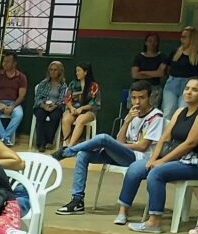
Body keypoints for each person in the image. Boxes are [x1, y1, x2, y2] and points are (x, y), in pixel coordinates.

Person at [118, 77, 198, 233]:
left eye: (195, 89)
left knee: (157, 173)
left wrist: (161, 161)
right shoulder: (180, 111)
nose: (189, 92)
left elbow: (190, 143)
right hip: (178, 158)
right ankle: (122, 211)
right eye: (187, 88)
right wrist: (152, 159)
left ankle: (154, 222)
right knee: (136, 168)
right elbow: (164, 137)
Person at [54, 80, 165, 216]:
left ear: (149, 97)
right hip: (123, 155)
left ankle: (68, 151)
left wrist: (112, 145)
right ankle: (77, 200)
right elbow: (120, 141)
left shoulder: (156, 117)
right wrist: (127, 121)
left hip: (139, 160)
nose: (137, 102)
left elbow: (143, 146)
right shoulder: (133, 115)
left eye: (142, 98)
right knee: (83, 154)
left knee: (104, 139)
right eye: (134, 98)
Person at [163, 26, 198, 120]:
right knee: (168, 111)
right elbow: (167, 68)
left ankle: (179, 133)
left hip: (189, 85)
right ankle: (166, 133)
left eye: (185, 37)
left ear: (192, 39)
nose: (181, 39)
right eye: (181, 37)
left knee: (183, 110)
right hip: (172, 83)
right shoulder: (175, 52)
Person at [0, 51, 27, 146]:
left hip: (14, 102)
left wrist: (12, 106)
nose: (4, 63)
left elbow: (21, 96)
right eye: (4, 61)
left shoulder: (21, 77)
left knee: (19, 114)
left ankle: (4, 137)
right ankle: (4, 137)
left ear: (14, 63)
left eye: (7, 61)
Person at [31, 61, 68, 152]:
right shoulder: (43, 83)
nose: (52, 72)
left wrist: (54, 106)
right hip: (42, 106)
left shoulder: (63, 85)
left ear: (60, 71)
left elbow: (62, 99)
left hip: (56, 106)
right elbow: (38, 97)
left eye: (55, 70)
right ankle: (41, 143)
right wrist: (44, 106)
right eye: (51, 70)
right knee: (40, 115)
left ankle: (49, 141)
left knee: (55, 116)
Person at [60, 63, 100, 147]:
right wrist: (71, 108)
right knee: (66, 119)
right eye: (76, 71)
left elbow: (95, 103)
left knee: (80, 120)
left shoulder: (94, 86)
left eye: (79, 71)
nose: (76, 73)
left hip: (88, 111)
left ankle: (71, 146)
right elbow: (67, 99)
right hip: (74, 109)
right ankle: (67, 145)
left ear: (85, 72)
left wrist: (82, 108)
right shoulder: (73, 84)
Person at [131, 32, 166, 107]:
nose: (152, 44)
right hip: (138, 87)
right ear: (145, 42)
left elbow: (160, 73)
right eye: (150, 41)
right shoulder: (139, 57)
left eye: (155, 41)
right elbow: (135, 74)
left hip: (154, 88)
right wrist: (154, 73)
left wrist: (143, 72)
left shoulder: (162, 57)